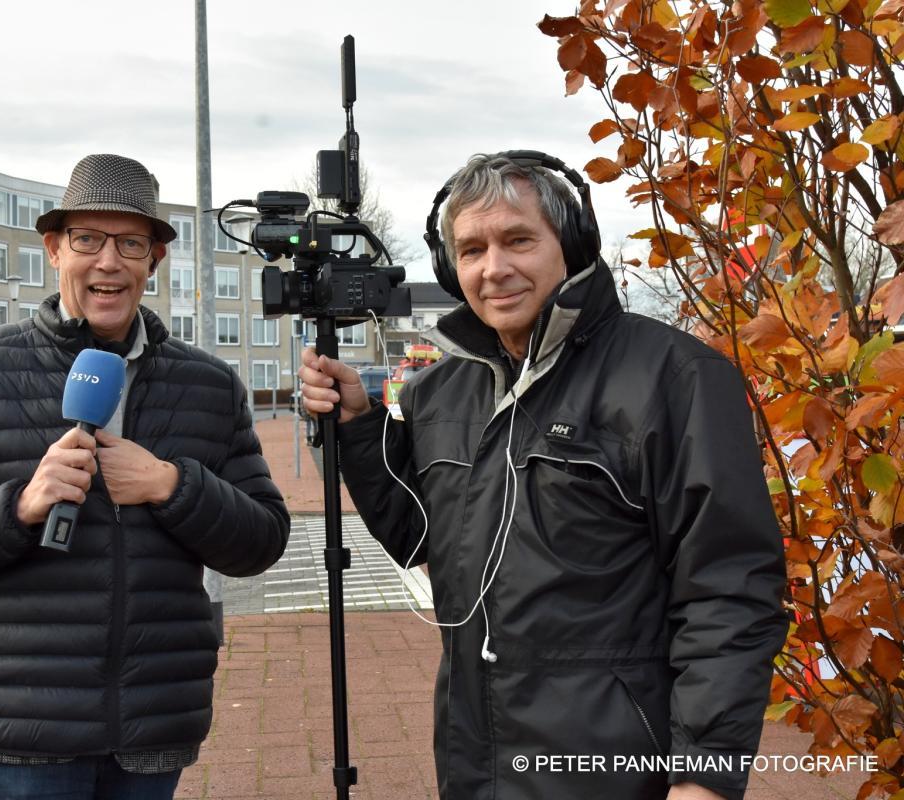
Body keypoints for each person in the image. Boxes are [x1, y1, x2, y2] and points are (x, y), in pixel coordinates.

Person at [298, 152, 787, 800]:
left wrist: (705, 775)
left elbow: (729, 588)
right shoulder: (437, 393)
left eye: (518, 240)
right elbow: (421, 540)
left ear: (572, 246)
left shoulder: (675, 380)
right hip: (476, 766)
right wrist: (360, 428)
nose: (493, 268)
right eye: (472, 250)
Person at [0, 154, 290, 800]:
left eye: (131, 243)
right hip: (19, 737)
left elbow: (262, 539)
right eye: (87, 239)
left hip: (150, 731)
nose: (109, 262)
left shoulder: (209, 385)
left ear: (155, 260)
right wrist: (20, 505)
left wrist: (172, 486)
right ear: (54, 248)